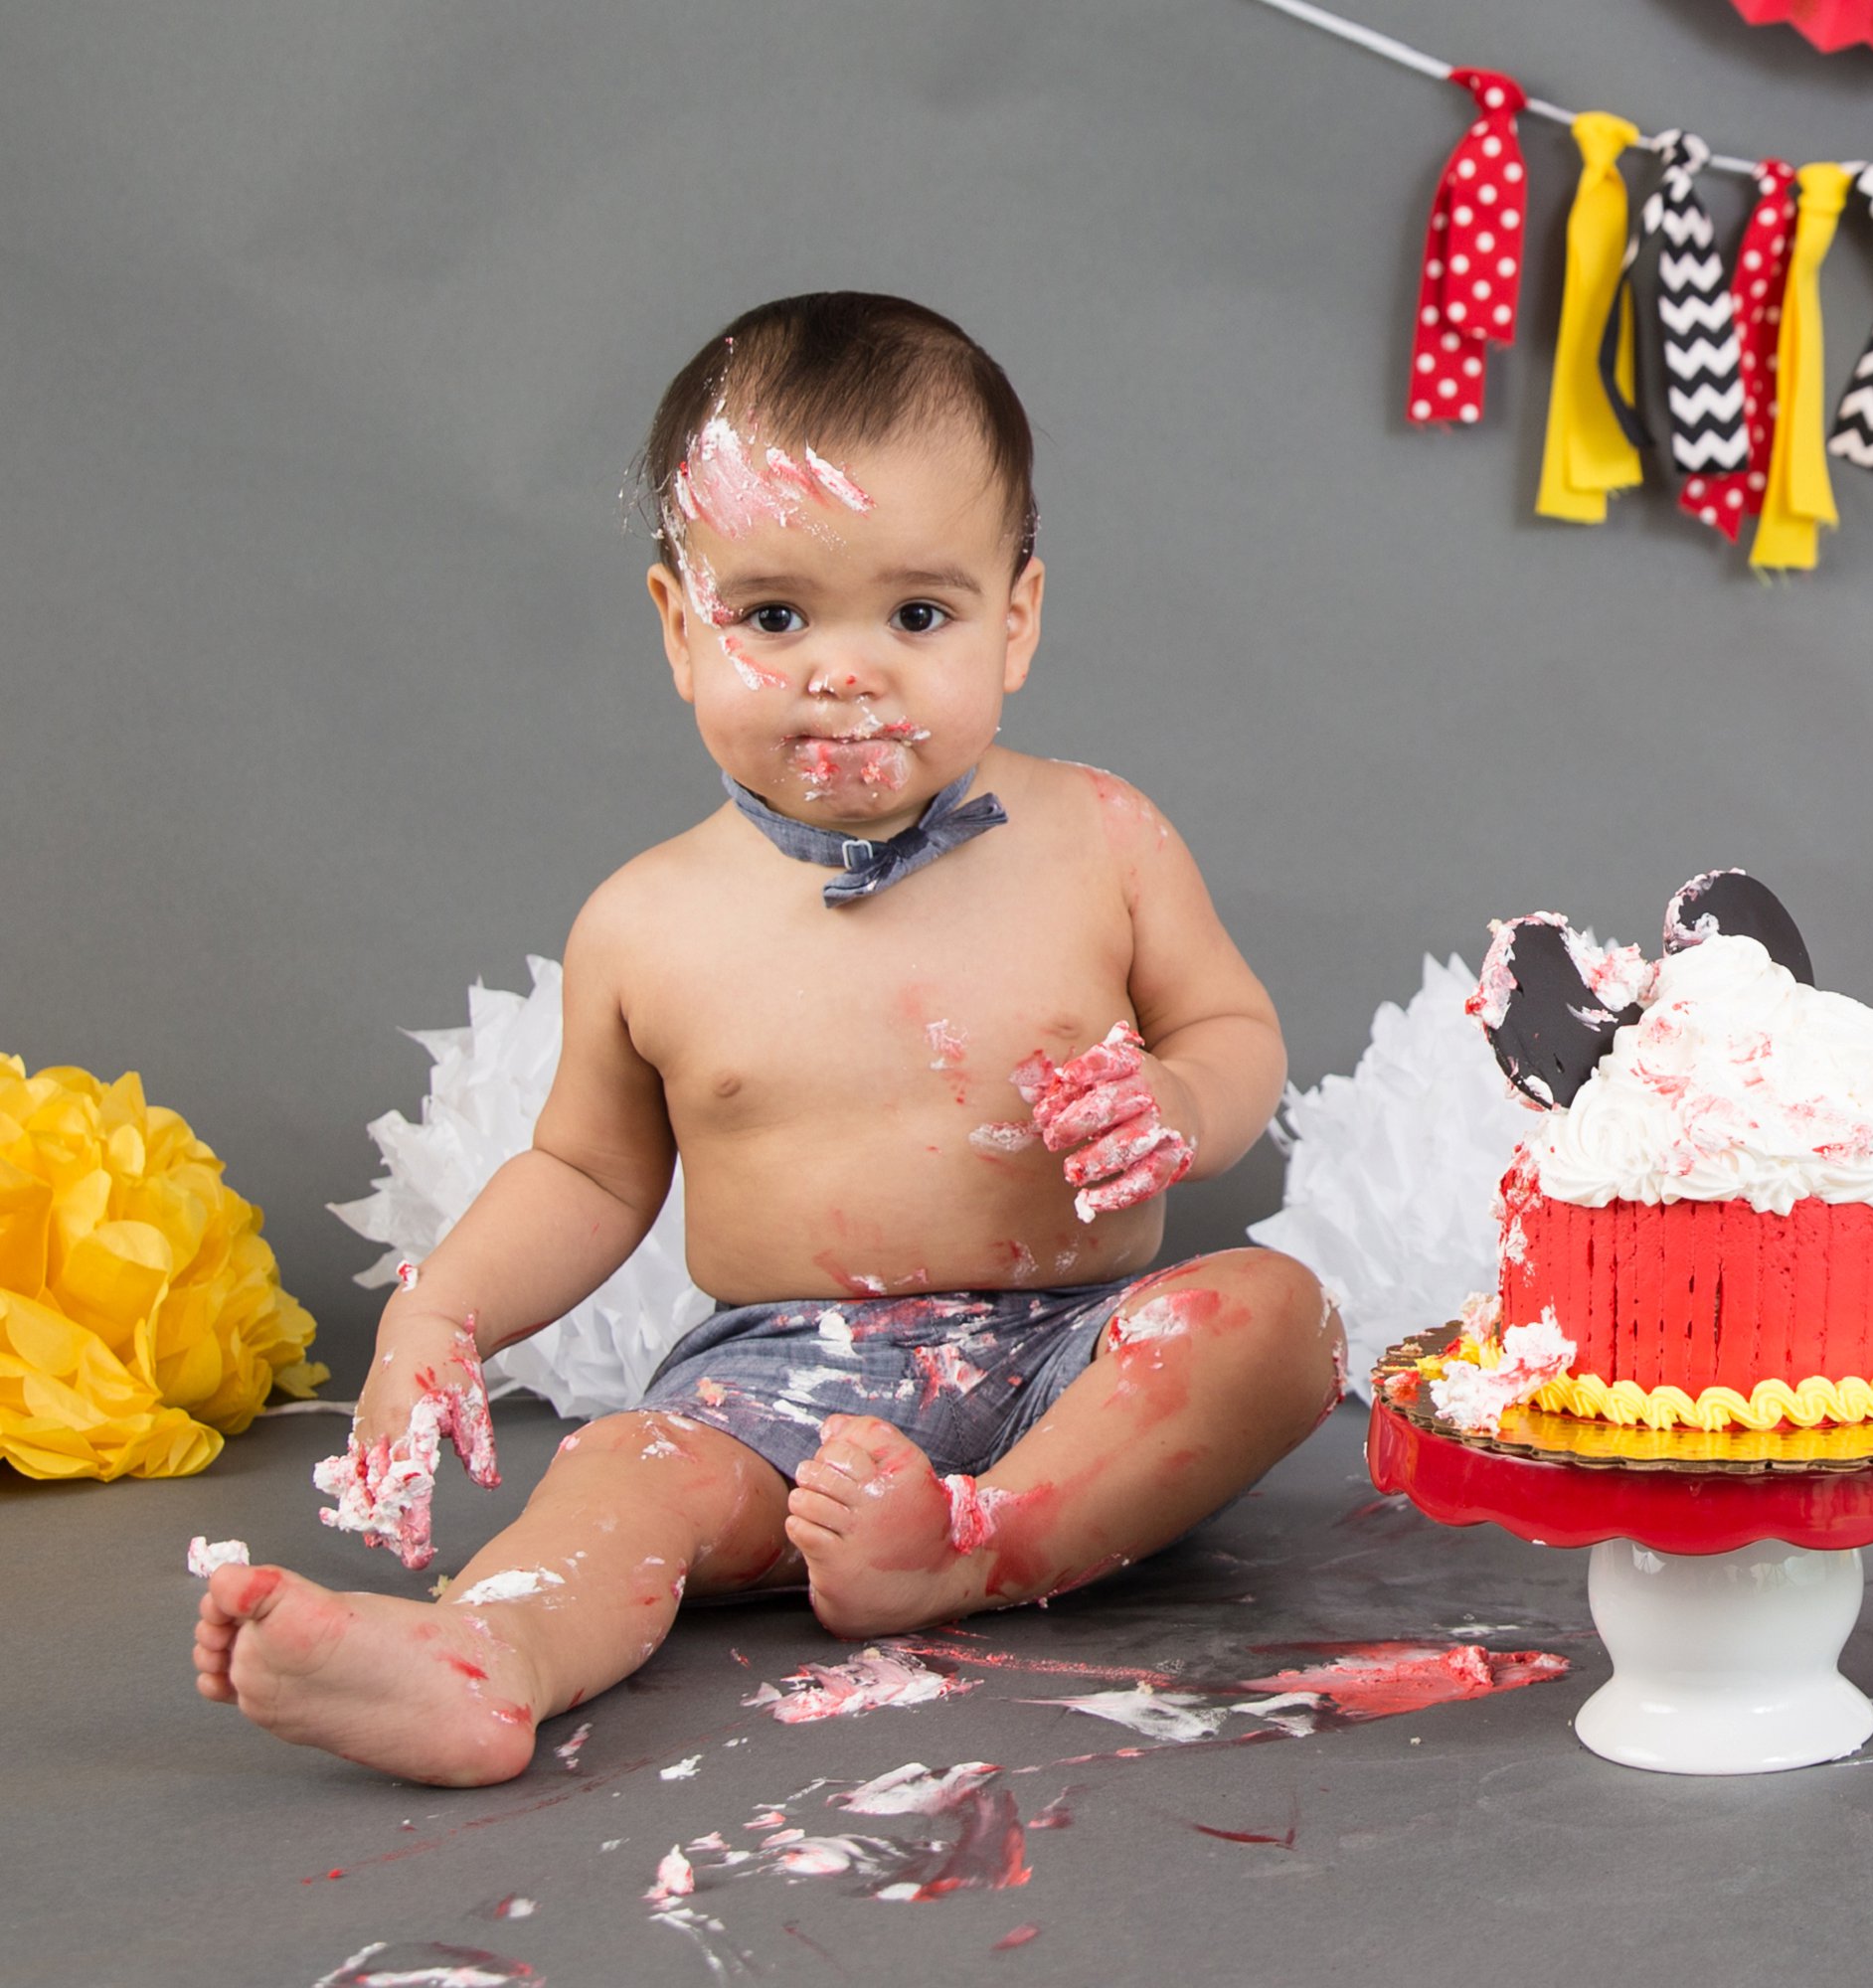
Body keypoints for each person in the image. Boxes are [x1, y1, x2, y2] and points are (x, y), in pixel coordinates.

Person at [192, 292, 1340, 1786]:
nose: (843, 672)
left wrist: (1181, 1101)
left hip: (1075, 1353)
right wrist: (443, 1315)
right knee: (626, 1474)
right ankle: (487, 1654)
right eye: (776, 617)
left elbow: (1232, 1028)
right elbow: (589, 1176)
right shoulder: (648, 921)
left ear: (1017, 619)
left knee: (1274, 1318)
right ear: (683, 628)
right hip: (782, 1387)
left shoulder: (1103, 839)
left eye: (917, 616)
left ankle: (980, 1543)